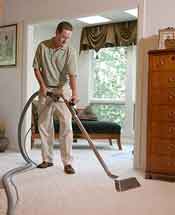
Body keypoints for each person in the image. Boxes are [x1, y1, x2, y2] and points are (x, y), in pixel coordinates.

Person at [33, 21, 78, 174]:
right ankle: (47, 159)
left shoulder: (69, 51)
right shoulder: (43, 46)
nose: (65, 41)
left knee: (66, 125)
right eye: (63, 37)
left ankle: (67, 163)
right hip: (46, 89)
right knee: (44, 125)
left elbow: (72, 75)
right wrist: (43, 87)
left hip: (62, 89)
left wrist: (74, 93)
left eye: (68, 38)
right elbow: (36, 68)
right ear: (57, 33)